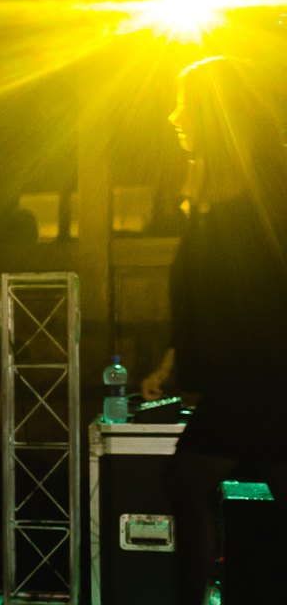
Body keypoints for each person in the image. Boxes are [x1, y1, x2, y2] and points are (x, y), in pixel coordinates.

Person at [140, 56, 287, 605]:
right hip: (250, 379)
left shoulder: (264, 193)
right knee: (195, 483)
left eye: (184, 102)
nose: (174, 115)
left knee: (185, 481)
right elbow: (208, 295)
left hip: (262, 377)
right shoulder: (211, 193)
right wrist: (171, 361)